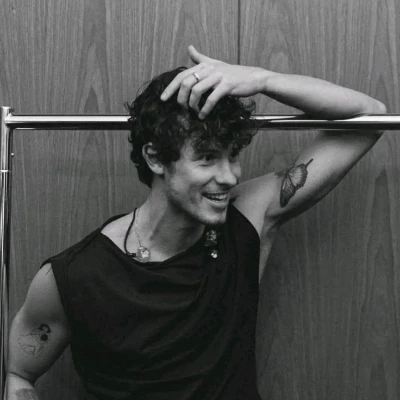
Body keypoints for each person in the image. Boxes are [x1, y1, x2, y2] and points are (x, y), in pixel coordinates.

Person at [5, 45, 387, 400]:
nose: (230, 176)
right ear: (156, 158)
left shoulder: (247, 220)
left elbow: (369, 116)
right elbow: (19, 373)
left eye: (232, 155)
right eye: (207, 158)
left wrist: (264, 79)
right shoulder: (75, 275)